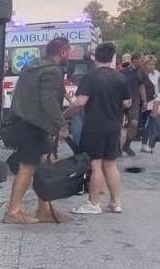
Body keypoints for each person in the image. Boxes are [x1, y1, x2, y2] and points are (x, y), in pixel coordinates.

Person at [4, 37, 70, 224]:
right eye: (69, 52)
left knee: (43, 165)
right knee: (28, 166)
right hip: (33, 125)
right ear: (63, 52)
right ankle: (13, 211)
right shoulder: (52, 71)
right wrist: (62, 124)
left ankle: (44, 209)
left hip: (25, 121)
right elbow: (48, 100)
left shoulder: (32, 66)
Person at [68, 42, 130, 214]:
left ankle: (93, 204)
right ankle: (116, 203)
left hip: (94, 126)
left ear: (95, 56)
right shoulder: (121, 78)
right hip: (114, 126)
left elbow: (81, 102)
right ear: (111, 58)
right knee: (110, 164)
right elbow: (127, 103)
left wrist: (65, 114)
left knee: (95, 165)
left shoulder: (90, 77)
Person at [120, 52, 147, 156]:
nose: (143, 62)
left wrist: (144, 100)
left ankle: (127, 144)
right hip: (122, 100)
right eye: (141, 60)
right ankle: (116, 148)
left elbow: (142, 86)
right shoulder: (123, 71)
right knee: (117, 125)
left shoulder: (141, 73)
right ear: (135, 59)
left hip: (135, 101)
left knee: (134, 124)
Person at [143, 55, 159, 153]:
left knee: (153, 123)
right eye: (150, 64)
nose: (152, 66)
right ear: (145, 65)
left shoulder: (157, 74)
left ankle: (149, 144)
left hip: (156, 100)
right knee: (145, 124)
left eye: (153, 64)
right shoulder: (142, 75)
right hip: (145, 101)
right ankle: (144, 144)